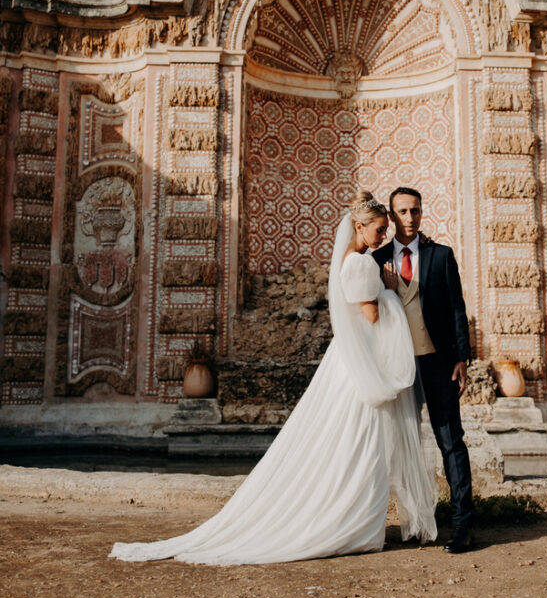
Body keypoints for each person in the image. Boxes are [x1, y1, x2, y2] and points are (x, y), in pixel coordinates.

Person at [110, 192, 436, 566]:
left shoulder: (351, 261)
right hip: (359, 366)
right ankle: (353, 522)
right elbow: (374, 318)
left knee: (350, 442)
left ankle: (353, 519)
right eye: (379, 230)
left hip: (348, 361)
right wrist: (392, 293)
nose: (383, 236)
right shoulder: (362, 266)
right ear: (359, 228)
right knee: (362, 443)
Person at [373, 187, 475, 553]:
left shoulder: (441, 255)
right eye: (402, 211)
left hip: (438, 363)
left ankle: (463, 525)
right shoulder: (378, 259)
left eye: (415, 210)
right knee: (401, 443)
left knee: (451, 442)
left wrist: (462, 357)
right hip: (398, 366)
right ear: (392, 214)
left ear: (421, 212)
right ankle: (414, 522)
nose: (410, 218)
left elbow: (457, 309)